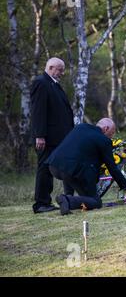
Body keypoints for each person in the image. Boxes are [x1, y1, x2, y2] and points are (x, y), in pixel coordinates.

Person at [46, 118, 126, 215]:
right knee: (95, 201)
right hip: (73, 170)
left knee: (69, 170)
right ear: (106, 128)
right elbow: (112, 167)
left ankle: (67, 199)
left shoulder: (81, 127)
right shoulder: (104, 140)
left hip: (54, 165)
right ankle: (67, 200)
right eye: (112, 133)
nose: (111, 137)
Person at [30, 57, 74, 213]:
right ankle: (41, 203)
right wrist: (39, 135)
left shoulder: (53, 84)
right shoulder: (41, 83)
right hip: (47, 138)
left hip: (58, 137)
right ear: (51, 67)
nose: (62, 73)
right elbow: (38, 111)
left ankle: (56, 199)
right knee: (44, 168)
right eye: (60, 70)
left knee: (50, 168)